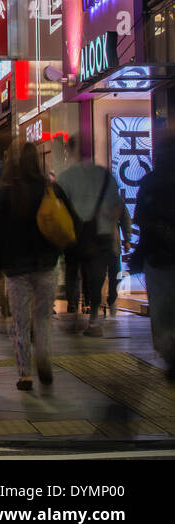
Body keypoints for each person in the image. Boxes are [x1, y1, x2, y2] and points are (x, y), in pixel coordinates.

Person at [0, 141, 72, 391]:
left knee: (20, 321)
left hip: (16, 268)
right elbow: (68, 219)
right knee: (43, 317)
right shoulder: (49, 187)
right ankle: (43, 357)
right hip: (46, 264)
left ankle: (25, 373)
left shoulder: (5, 192)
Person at [57, 136, 126, 335]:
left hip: (74, 234)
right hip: (100, 234)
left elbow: (58, 206)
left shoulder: (66, 177)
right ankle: (94, 320)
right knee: (96, 276)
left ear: (72, 151)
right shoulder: (106, 176)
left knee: (72, 273)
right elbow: (116, 209)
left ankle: (72, 314)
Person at [131, 133, 175, 381]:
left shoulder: (150, 181)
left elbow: (141, 218)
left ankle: (169, 350)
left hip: (157, 257)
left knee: (161, 310)